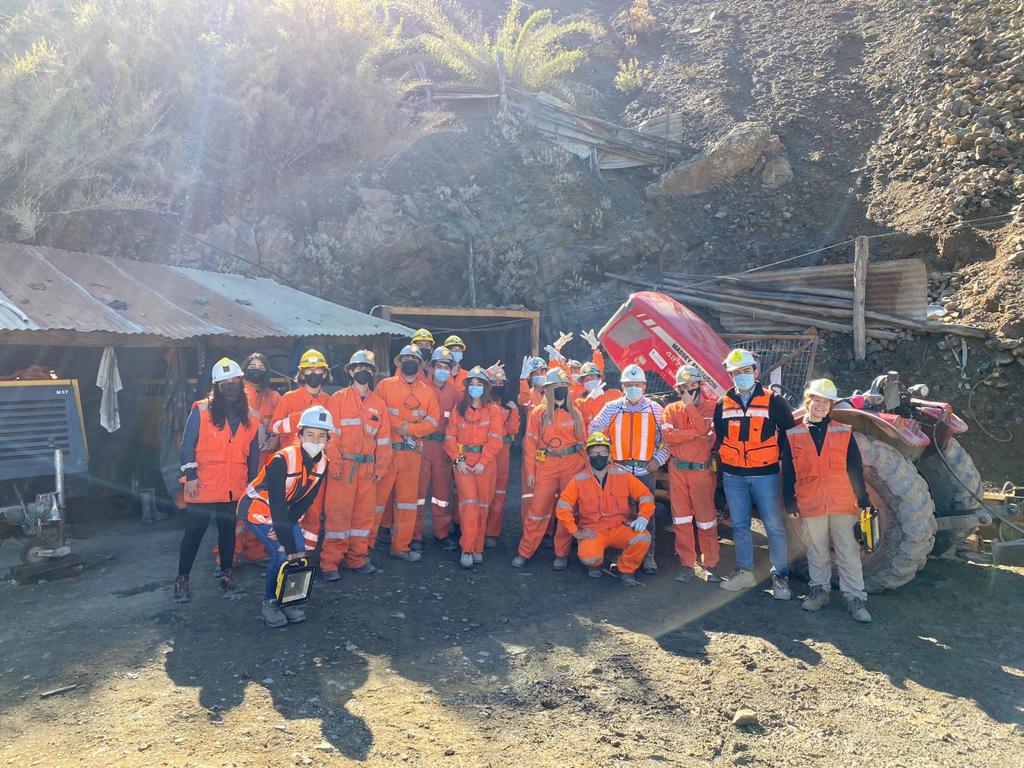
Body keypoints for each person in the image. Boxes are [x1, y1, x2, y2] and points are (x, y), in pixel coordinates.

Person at [782, 379, 872, 623]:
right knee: (816, 551)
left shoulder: (843, 431)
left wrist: (863, 500)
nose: (821, 406)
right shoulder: (793, 434)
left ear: (830, 405)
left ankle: (855, 598)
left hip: (842, 502)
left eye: (826, 402)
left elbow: (855, 468)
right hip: (810, 503)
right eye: (816, 401)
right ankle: (819, 591)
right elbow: (789, 472)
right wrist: (789, 502)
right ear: (807, 402)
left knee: (848, 552)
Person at [175, 358, 260, 603]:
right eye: (226, 382)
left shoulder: (251, 416)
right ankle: (182, 579)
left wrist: (252, 482)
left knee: (227, 533)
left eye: (235, 381)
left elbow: (253, 452)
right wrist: (190, 475)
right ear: (216, 385)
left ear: (241, 382)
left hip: (234, 486)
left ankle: (226, 575)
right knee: (193, 533)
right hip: (202, 484)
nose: (231, 385)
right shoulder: (201, 410)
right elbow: (187, 444)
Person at [239, 406, 333, 627]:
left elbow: (306, 500)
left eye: (321, 436)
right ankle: (269, 603)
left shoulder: (323, 462)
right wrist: (285, 537)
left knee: (299, 554)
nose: (315, 440)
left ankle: (288, 600)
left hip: (284, 514)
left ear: (328, 439)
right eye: (309, 434)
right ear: (299, 436)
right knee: (282, 553)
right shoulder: (281, 459)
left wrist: (286, 527)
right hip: (258, 511)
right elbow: (277, 502)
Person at [714, 348, 796, 598]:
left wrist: (777, 458)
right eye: (736, 372)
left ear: (756, 371)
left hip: (766, 476)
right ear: (730, 375)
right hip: (734, 477)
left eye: (745, 370)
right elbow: (721, 436)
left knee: (773, 526)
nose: (741, 376)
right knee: (739, 525)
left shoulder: (773, 401)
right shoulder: (723, 404)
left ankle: (780, 577)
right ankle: (744, 572)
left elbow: (790, 434)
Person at [589, 363, 669, 574]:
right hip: (620, 471)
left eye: (637, 384)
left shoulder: (655, 409)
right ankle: (621, 553)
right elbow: (594, 429)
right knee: (621, 514)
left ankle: (649, 555)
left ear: (644, 386)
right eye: (629, 384)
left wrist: (658, 460)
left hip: (645, 472)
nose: (633, 388)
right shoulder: (612, 408)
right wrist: (606, 456)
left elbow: (666, 440)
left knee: (646, 512)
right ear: (623, 386)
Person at [319, 351, 392, 580]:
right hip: (344, 467)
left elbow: (384, 440)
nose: (364, 372)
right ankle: (330, 562)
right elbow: (331, 436)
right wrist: (336, 464)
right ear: (350, 371)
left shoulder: (378, 404)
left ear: (372, 373)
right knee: (338, 515)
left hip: (368, 469)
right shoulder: (338, 399)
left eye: (368, 369)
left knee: (364, 516)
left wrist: (380, 468)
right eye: (359, 367)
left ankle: (357, 558)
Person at [554, 432, 655, 586]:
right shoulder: (579, 480)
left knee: (643, 537)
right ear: (588, 457)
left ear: (609, 455)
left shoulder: (623, 476)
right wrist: (575, 532)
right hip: (593, 530)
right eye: (594, 453)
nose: (598, 457)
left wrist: (643, 517)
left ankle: (625, 569)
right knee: (589, 557)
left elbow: (645, 495)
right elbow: (563, 507)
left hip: (619, 527)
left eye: (602, 453)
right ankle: (596, 565)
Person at [512, 368, 587, 568]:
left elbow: (583, 443)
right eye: (556, 386)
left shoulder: (575, 413)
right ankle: (525, 551)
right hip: (546, 465)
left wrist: (586, 469)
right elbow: (529, 444)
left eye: (564, 386)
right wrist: (530, 472)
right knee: (537, 509)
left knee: (566, 509)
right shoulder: (539, 413)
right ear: (548, 389)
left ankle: (561, 553)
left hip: (572, 465)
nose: (561, 389)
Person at [374, 345, 441, 562]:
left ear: (420, 365)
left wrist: (409, 429)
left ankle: (400, 547)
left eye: (414, 358)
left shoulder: (427, 392)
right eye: (407, 357)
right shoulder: (385, 386)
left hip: (412, 454)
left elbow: (433, 421)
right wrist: (401, 425)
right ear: (399, 361)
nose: (410, 361)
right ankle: (363, 547)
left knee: (407, 503)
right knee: (376, 501)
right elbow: (376, 413)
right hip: (388, 452)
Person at [269, 348, 333, 554]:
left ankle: (307, 553)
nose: (313, 374)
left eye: (318, 370)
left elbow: (333, 436)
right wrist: (301, 417)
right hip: (291, 467)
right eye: (309, 370)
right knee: (287, 509)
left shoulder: (330, 401)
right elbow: (275, 427)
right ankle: (287, 550)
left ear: (325, 373)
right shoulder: (288, 398)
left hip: (316, 466)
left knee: (313, 509)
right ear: (301, 373)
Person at [661, 365, 721, 584]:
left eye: (692, 385)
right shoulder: (670, 409)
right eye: (683, 387)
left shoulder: (712, 407)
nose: (688, 390)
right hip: (678, 470)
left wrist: (690, 410)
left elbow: (707, 435)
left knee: (706, 521)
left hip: (701, 472)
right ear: (678, 389)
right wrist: (694, 434)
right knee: (681, 519)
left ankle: (711, 564)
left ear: (700, 385)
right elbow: (668, 436)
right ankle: (687, 563)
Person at [445, 366, 504, 567]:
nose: (475, 387)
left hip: (485, 465)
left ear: (485, 387)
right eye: (472, 383)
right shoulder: (458, 410)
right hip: (463, 463)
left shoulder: (493, 411)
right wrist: (458, 460)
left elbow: (496, 440)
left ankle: (478, 548)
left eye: (479, 384)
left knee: (482, 507)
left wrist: (483, 462)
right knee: (469, 506)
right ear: (467, 386)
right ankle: (467, 549)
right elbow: (450, 438)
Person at [235, 352, 282, 564]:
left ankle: (255, 551)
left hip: (266, 460)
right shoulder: (236, 394)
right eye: (252, 365)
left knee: (259, 507)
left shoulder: (274, 397)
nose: (256, 369)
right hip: (240, 459)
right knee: (236, 508)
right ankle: (228, 555)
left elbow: (283, 424)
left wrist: (276, 438)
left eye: (261, 366)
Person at [418, 347, 461, 551]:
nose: (442, 370)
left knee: (442, 495)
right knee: (417, 493)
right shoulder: (421, 387)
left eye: (446, 366)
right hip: (422, 445)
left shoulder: (454, 392)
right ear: (431, 367)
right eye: (439, 366)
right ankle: (415, 534)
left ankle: (442, 533)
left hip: (443, 447)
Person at [486, 365, 520, 548]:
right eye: (494, 382)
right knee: (481, 493)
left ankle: (492, 532)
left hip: (503, 452)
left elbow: (514, 430)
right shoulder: (480, 404)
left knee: (499, 493)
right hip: (484, 452)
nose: (498, 385)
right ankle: (472, 530)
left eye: (501, 382)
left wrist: (514, 411)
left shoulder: (509, 405)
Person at [574, 361, 622, 432]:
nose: (590, 381)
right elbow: (582, 424)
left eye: (592, 377)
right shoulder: (579, 403)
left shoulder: (614, 394)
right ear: (583, 383)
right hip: (592, 441)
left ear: (600, 379)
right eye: (586, 380)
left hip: (613, 440)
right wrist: (590, 399)